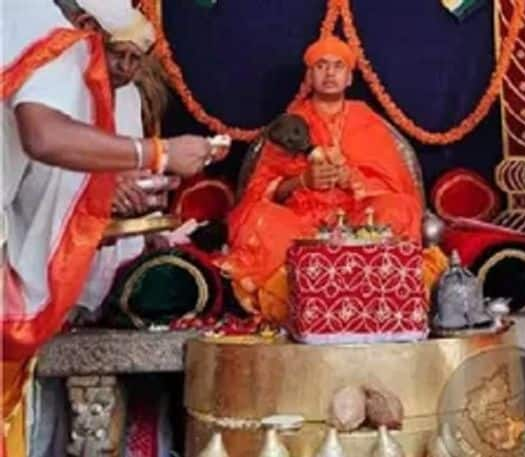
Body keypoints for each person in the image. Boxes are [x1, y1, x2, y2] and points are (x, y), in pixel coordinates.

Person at [1, 0, 227, 454]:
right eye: (111, 53)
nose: (119, 68)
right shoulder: (52, 34)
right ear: (86, 27)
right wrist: (157, 153)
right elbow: (44, 138)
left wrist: (112, 187)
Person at [222, 35, 446, 323]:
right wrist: (303, 181)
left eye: (337, 66)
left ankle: (373, 297)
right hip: (300, 224)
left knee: (399, 209)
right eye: (321, 66)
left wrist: (352, 179)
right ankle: (296, 304)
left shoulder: (367, 121)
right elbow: (261, 189)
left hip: (359, 219)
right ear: (309, 76)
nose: (329, 73)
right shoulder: (291, 122)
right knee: (257, 218)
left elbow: (394, 183)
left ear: (349, 77)